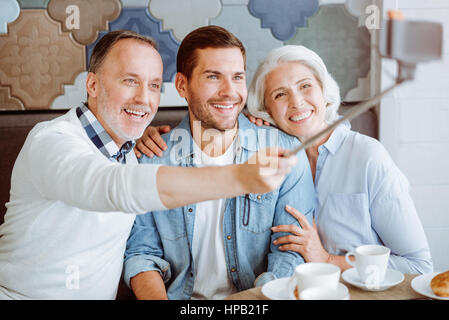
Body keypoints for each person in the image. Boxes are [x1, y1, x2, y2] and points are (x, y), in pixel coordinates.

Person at [0, 30, 298, 300]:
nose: (144, 99)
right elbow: (112, 186)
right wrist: (241, 178)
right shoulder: (51, 142)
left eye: (154, 85)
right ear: (92, 84)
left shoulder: (132, 153)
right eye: (130, 81)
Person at [139, 45, 433, 274]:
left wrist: (327, 259)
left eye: (306, 86)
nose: (296, 102)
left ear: (324, 90)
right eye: (280, 95)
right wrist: (145, 134)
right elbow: (213, 116)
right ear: (265, 111)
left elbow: (418, 265)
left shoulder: (368, 157)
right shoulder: (266, 156)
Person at [124, 26, 316, 300]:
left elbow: (289, 253)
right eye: (213, 76)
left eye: (237, 77)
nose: (230, 91)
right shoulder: (150, 160)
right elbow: (142, 254)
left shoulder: (283, 152)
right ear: (182, 85)